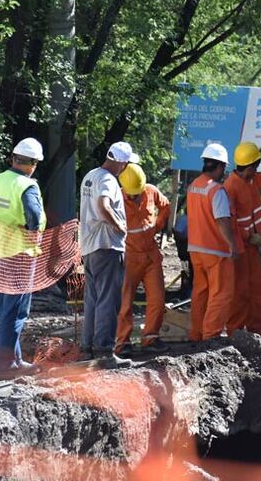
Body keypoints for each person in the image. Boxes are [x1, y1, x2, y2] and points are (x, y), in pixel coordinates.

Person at [0, 139, 45, 378]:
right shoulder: (26, 185)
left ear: (14, 158)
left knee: (6, 309)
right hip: (19, 253)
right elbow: (35, 215)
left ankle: (13, 359)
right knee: (16, 311)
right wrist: (31, 229)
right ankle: (6, 364)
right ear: (33, 164)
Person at [79, 141, 135, 367]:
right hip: (107, 246)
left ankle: (88, 350)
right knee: (108, 301)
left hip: (90, 247)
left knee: (93, 299)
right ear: (121, 162)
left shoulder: (90, 175)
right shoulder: (109, 180)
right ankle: (104, 352)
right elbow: (103, 205)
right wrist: (119, 226)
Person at [224, 142, 261, 335]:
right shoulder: (231, 187)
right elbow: (229, 223)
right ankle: (235, 332)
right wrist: (249, 236)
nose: (257, 170)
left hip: (251, 247)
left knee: (257, 290)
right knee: (240, 292)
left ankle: (255, 330)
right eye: (256, 166)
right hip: (240, 246)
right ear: (249, 167)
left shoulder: (252, 180)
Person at [114, 163, 171, 356]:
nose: (134, 197)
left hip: (151, 255)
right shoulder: (117, 198)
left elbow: (166, 206)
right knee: (125, 302)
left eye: (136, 194)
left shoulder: (151, 191)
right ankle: (122, 342)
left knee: (157, 299)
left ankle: (150, 338)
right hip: (129, 257)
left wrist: (158, 225)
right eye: (131, 194)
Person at [186, 143, 241, 342]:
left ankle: (196, 334)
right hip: (216, 250)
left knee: (200, 293)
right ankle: (211, 336)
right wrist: (232, 246)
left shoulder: (193, 186)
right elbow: (222, 220)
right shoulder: (216, 190)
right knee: (221, 294)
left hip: (196, 249)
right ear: (219, 167)